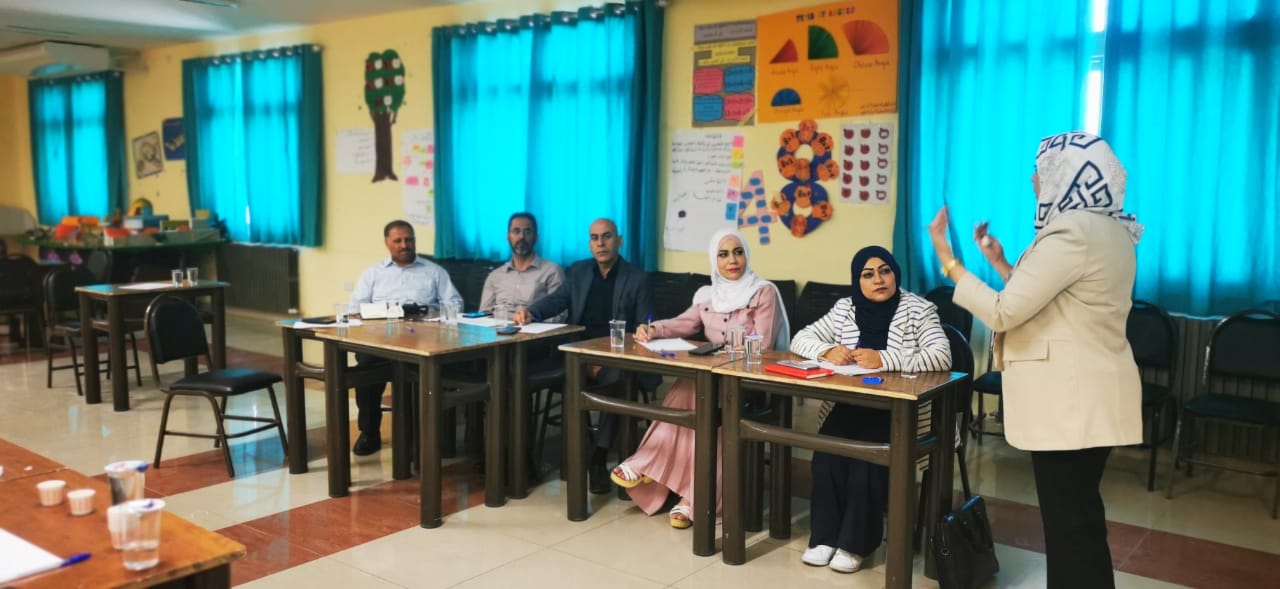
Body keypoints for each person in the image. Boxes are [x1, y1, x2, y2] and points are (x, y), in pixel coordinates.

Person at [928, 131, 1143, 589]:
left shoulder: (1072, 231)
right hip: (1089, 398)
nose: (1032, 179)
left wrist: (948, 260)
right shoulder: (1107, 228)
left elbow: (1004, 311)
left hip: (1072, 405)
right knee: (1079, 524)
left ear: (1067, 175)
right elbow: (1057, 301)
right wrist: (1003, 264)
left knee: (1071, 528)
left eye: (1040, 170)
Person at [790, 245, 951, 574]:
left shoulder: (920, 310)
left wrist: (883, 358)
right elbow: (800, 338)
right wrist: (827, 350)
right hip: (851, 402)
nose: (878, 279)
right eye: (868, 274)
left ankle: (855, 544)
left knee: (867, 461)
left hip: (898, 411)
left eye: (885, 271)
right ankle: (824, 538)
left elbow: (942, 356)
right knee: (826, 455)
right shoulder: (845, 308)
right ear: (857, 281)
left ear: (895, 274)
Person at [615, 229, 790, 528]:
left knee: (712, 401)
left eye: (738, 252)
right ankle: (662, 473)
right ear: (714, 260)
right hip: (712, 376)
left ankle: (692, 494)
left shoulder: (763, 292)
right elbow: (684, 323)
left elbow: (763, 343)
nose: (732, 260)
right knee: (688, 388)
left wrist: (729, 355)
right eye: (723, 254)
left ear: (747, 255)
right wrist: (654, 329)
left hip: (748, 381)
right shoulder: (708, 295)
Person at [512, 217, 656, 493]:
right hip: (578, 353)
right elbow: (557, 300)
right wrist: (532, 311)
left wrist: (604, 356)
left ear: (619, 241)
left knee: (617, 377)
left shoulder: (638, 278)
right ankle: (527, 461)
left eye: (607, 237)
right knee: (529, 374)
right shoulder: (578, 271)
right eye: (594, 238)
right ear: (589, 244)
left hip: (618, 357)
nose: (601, 243)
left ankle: (598, 457)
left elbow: (645, 325)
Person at [348, 220, 463, 456]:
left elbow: (455, 304)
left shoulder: (434, 272)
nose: (404, 245)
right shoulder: (373, 274)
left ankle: (424, 437)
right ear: (387, 243)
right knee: (364, 370)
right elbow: (354, 309)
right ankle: (369, 433)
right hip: (381, 341)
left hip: (423, 342)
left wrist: (429, 313)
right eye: (398, 240)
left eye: (409, 239)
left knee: (429, 370)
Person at [479, 212, 565, 321]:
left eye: (527, 232)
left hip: (534, 328)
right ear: (508, 237)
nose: (521, 237)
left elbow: (559, 316)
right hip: (499, 329)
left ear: (536, 237)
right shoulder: (495, 276)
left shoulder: (552, 271)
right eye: (516, 231)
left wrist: (530, 319)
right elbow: (483, 315)